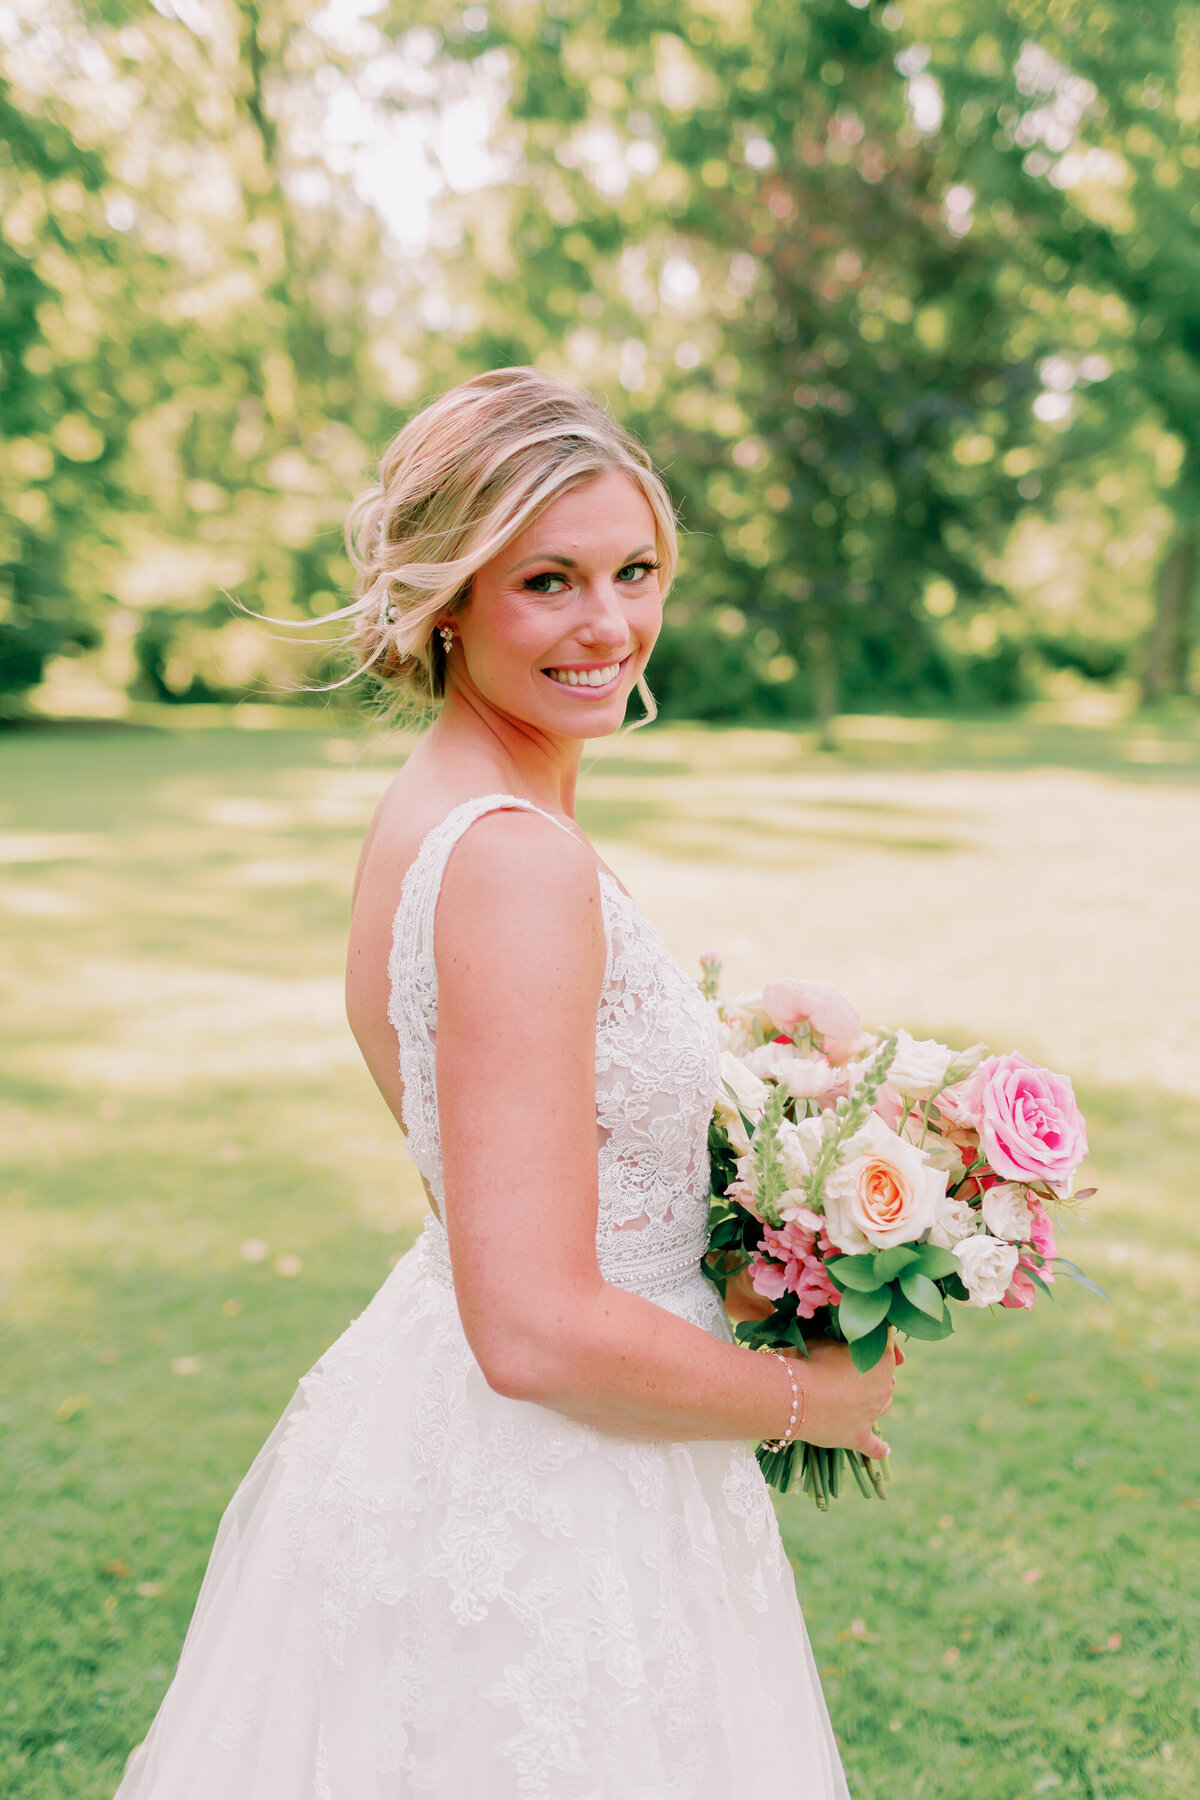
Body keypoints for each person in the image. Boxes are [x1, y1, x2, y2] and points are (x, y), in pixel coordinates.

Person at [114, 367, 896, 1800]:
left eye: (635, 570)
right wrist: (809, 1401)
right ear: (449, 599)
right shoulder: (514, 859)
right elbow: (530, 1325)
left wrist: (767, 1116)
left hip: (465, 1442)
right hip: (554, 1497)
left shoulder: (436, 811)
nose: (610, 624)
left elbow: (545, 1178)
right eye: (549, 580)